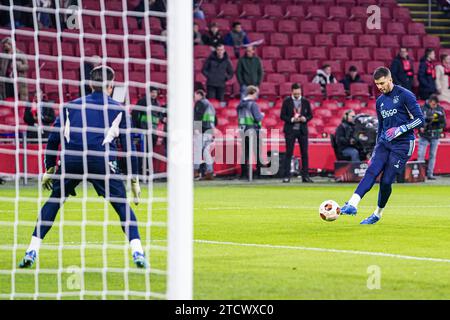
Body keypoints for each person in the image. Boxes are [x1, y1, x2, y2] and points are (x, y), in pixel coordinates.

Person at [18, 66, 148, 269]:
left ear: (89, 84)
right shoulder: (119, 109)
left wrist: (49, 169)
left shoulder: (70, 106)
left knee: (54, 201)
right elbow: (129, 148)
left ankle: (31, 250)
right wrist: (134, 180)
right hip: (101, 160)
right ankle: (138, 252)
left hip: (72, 160)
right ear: (111, 85)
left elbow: (53, 140)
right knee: (122, 205)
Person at [340, 67, 424, 224]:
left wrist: (401, 129)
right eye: (377, 84)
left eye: (382, 83)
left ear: (390, 80)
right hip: (385, 142)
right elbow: (381, 126)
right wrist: (377, 146)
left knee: (386, 181)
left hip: (403, 144)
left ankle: (377, 214)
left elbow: (420, 119)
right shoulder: (380, 101)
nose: (380, 87)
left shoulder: (405, 95)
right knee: (371, 170)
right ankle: (352, 204)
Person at [280, 83, 313, 183]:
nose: (297, 95)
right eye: (296, 93)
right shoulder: (286, 101)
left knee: (304, 153)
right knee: (289, 153)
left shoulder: (305, 101)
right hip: (290, 130)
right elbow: (282, 116)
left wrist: (305, 118)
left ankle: (305, 176)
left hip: (302, 130)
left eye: (299, 93)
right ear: (292, 92)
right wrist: (291, 119)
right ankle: (286, 176)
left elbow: (310, 115)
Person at [132, 86, 164, 176]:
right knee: (141, 152)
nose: (154, 94)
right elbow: (134, 114)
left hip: (153, 132)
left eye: (155, 92)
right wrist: (136, 129)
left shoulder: (157, 103)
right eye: (152, 92)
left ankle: (146, 171)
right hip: (142, 132)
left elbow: (159, 116)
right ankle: (139, 172)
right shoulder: (143, 101)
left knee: (149, 152)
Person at [237, 85, 264, 179]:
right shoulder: (253, 104)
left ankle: (244, 174)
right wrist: (262, 115)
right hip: (253, 129)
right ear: (252, 93)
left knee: (245, 153)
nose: (257, 95)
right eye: (256, 93)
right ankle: (260, 173)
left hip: (243, 129)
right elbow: (257, 118)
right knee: (257, 152)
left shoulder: (240, 104)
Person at [417, 94, 446, 180]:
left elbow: (444, 123)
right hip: (424, 136)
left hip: (435, 135)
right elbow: (417, 121)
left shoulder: (440, 109)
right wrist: (421, 127)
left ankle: (430, 174)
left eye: (436, 104)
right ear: (429, 102)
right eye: (433, 104)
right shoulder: (422, 109)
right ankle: (420, 175)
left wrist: (439, 126)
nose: (435, 106)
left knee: (432, 155)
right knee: (421, 155)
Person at [193, 89, 216, 180]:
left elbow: (197, 116)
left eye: (195, 96)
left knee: (198, 152)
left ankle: (196, 172)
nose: (194, 98)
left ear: (199, 95)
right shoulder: (210, 104)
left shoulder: (200, 103)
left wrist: (196, 129)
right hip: (209, 130)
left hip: (202, 131)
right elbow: (215, 119)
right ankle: (210, 172)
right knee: (206, 152)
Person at [0, 37, 29, 101]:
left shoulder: (20, 54)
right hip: (6, 81)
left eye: (5, 45)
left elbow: (27, 66)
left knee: (18, 98)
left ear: (10, 45)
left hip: (17, 81)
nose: (4, 47)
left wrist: (18, 66)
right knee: (7, 98)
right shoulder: (3, 55)